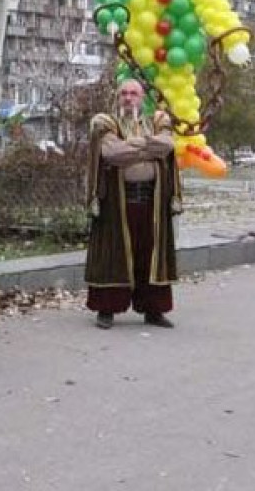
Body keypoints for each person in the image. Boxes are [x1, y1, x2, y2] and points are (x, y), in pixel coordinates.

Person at [84, 79, 182, 329]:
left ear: (142, 98)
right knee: (113, 257)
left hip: (152, 202)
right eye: (124, 94)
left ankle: (154, 311)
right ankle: (106, 310)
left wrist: (132, 146)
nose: (129, 98)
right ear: (117, 98)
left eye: (134, 94)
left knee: (150, 257)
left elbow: (167, 145)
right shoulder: (106, 122)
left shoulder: (157, 120)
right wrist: (148, 147)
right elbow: (112, 154)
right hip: (116, 204)